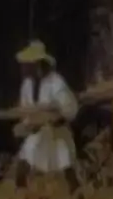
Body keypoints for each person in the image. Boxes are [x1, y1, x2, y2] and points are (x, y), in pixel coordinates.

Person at [11, 39, 79, 189]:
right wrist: (27, 125)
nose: (25, 68)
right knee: (26, 158)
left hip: (57, 133)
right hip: (39, 132)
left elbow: (70, 108)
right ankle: (21, 194)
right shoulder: (27, 85)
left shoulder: (56, 83)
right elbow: (26, 111)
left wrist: (56, 117)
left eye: (28, 64)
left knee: (65, 162)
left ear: (37, 64)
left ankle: (78, 195)